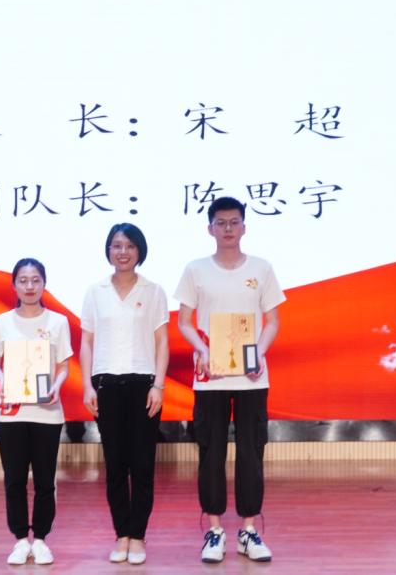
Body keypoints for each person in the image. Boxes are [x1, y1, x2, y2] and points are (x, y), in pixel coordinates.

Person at [174, 196, 286, 563]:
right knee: (211, 452)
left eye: (234, 222)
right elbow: (184, 322)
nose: (227, 228)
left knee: (252, 452)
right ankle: (214, 530)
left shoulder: (262, 268)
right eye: (220, 222)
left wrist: (258, 354)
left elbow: (272, 321)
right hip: (211, 376)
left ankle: (249, 529)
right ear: (210, 228)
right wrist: (203, 350)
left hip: (252, 377)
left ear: (244, 227)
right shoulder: (196, 270)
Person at [80, 223, 169, 566]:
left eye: (130, 246)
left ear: (140, 250)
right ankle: (121, 534)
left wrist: (158, 385)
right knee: (115, 464)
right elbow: (87, 342)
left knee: (142, 464)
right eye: (117, 245)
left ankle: (138, 535)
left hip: (143, 385)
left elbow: (162, 342)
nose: (123, 252)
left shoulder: (154, 291)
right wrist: (87, 385)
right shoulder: (95, 291)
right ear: (108, 250)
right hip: (106, 384)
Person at [0, 258, 72, 566]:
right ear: (14, 285)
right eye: (23, 280)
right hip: (11, 412)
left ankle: (42, 540)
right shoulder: (2, 322)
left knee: (46, 480)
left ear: (44, 284)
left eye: (35, 280)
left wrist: (57, 385)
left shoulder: (57, 322)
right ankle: (21, 540)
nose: (30, 286)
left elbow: (63, 365)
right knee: (15, 479)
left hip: (47, 412)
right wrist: (3, 380)